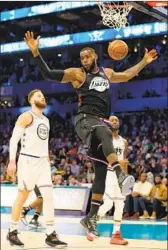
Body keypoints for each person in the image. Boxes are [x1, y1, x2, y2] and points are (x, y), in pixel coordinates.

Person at [24, 31, 157, 238]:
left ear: (95, 56)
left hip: (101, 123)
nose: (84, 60)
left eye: (87, 56)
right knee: (104, 130)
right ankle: (121, 175)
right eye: (82, 58)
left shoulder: (108, 73)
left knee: (101, 173)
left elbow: (128, 75)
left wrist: (144, 61)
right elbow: (49, 73)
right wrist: (35, 52)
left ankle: (91, 217)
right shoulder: (78, 74)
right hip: (84, 120)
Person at [7, 89, 67, 248]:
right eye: (39, 96)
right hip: (27, 161)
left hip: (42, 163)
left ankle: (50, 234)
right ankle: (12, 231)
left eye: (43, 96)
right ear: (31, 100)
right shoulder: (26, 116)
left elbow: (44, 143)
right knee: (22, 196)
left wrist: (47, 160)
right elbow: (14, 140)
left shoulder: (46, 120)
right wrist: (12, 161)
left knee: (48, 196)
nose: (43, 97)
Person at [98, 116, 129, 245]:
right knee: (108, 204)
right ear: (107, 123)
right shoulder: (105, 140)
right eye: (112, 120)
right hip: (109, 174)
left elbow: (125, 162)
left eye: (116, 120)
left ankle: (115, 234)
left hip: (120, 176)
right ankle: (91, 223)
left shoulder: (124, 142)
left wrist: (126, 178)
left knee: (120, 205)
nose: (115, 122)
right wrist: (117, 162)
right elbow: (102, 161)